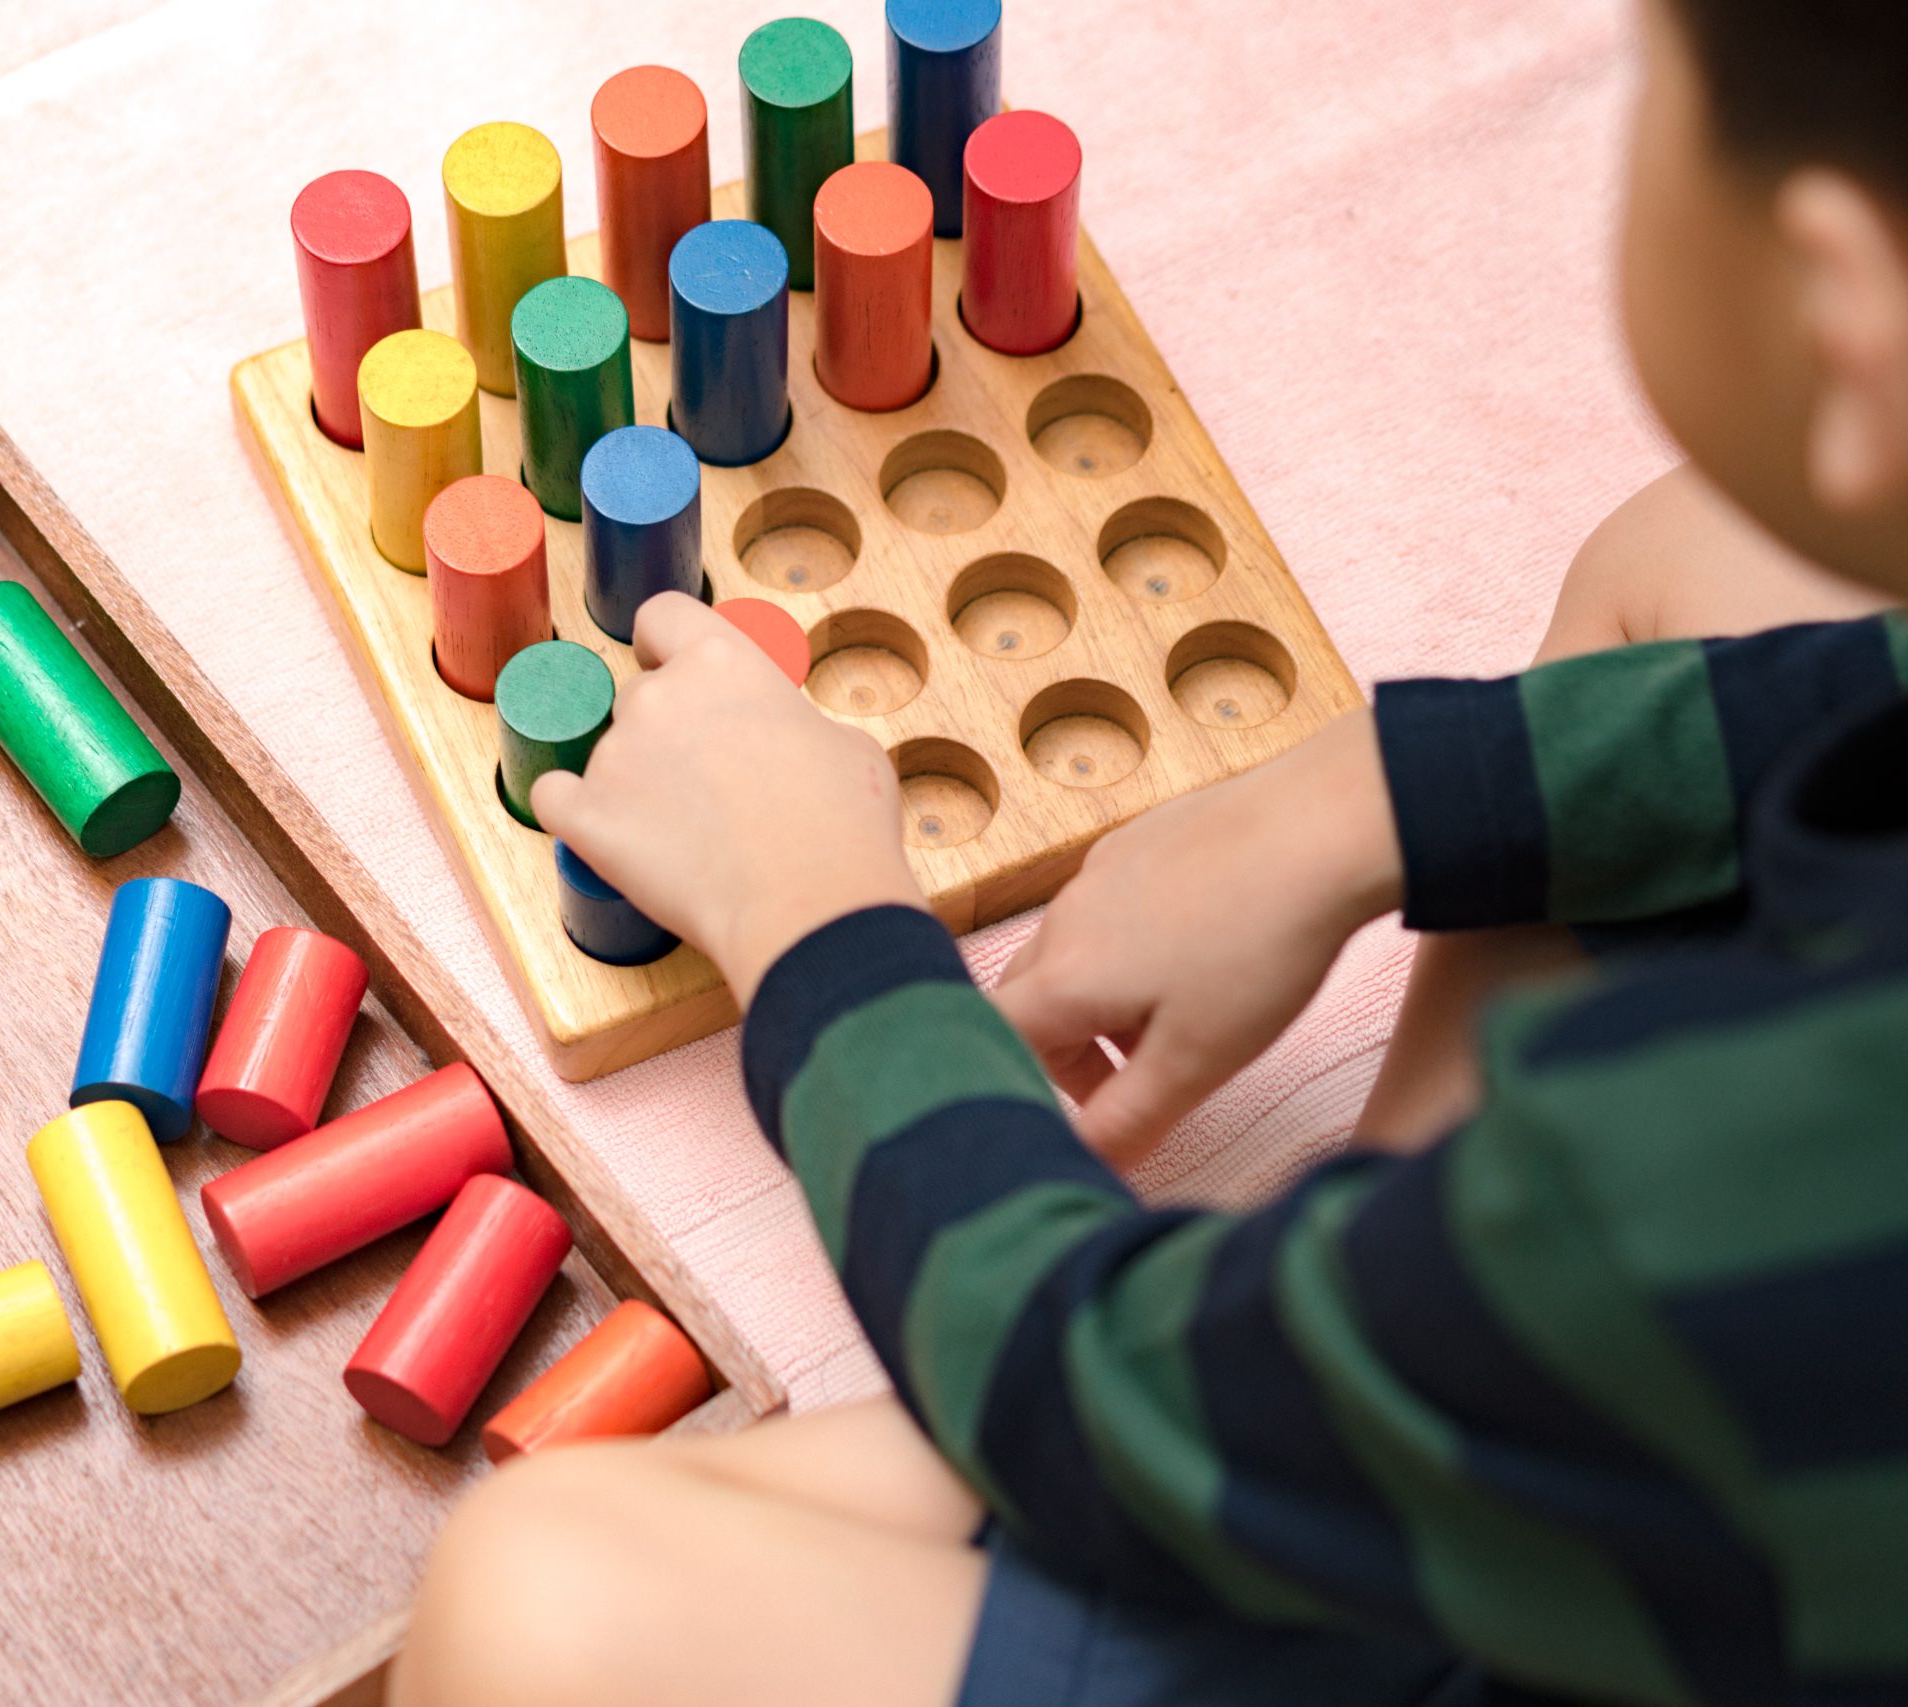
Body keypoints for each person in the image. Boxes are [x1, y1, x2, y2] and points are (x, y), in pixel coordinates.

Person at [391, 0, 1908, 1700]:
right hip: (1697, 1450)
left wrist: (818, 917)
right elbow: (1846, 689)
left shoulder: (1726, 1198)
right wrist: (1367, 799)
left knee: (542, 1597)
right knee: (1709, 560)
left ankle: (1370, 1333)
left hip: (1583, 1527)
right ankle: (1378, 1287)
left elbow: (1091, 1401)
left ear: (1847, 306)